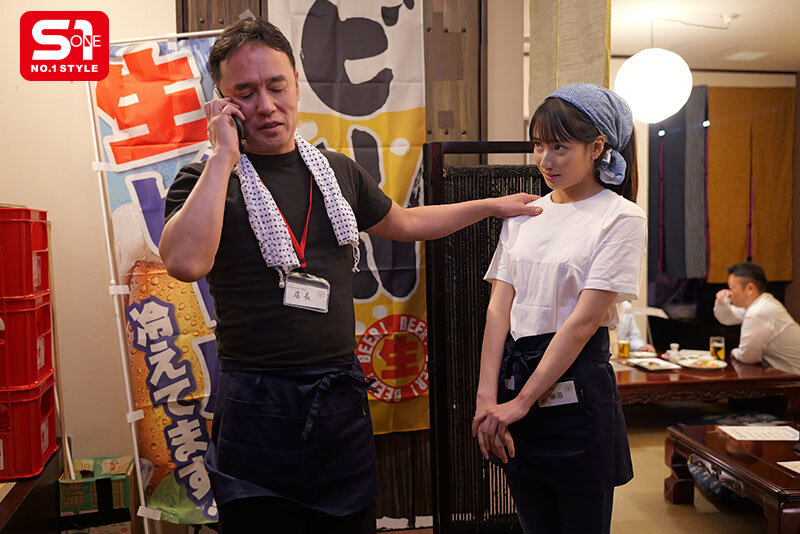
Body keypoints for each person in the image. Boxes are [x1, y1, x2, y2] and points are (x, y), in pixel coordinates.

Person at [158, 17, 541, 534]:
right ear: (222, 103)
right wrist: (225, 154)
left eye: (276, 86)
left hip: (337, 395)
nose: (266, 105)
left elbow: (405, 223)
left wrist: (491, 205)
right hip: (256, 401)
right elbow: (185, 263)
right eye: (245, 93)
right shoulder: (204, 180)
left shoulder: (334, 171)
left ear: (297, 84)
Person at [472, 83, 646, 534]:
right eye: (538, 145)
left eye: (559, 147)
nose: (545, 160)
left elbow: (583, 323)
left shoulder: (621, 217)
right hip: (515, 378)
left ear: (597, 148)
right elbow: (498, 309)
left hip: (576, 388)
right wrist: (487, 398)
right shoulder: (525, 213)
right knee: (533, 524)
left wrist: (521, 402)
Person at [714, 262, 800, 374]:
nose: (730, 293)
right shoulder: (762, 303)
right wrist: (722, 301)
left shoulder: (759, 311)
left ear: (750, 288)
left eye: (732, 287)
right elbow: (727, 318)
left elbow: (747, 357)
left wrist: (734, 352)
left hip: (795, 376)